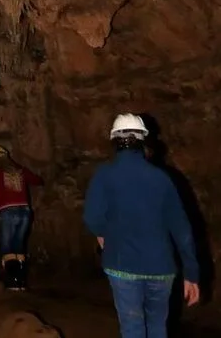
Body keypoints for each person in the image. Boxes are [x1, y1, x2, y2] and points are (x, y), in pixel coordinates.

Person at [84, 113, 200, 338]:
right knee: (158, 327)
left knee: (132, 327)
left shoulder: (105, 175)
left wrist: (103, 236)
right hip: (161, 268)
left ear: (114, 141)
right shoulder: (162, 179)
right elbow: (182, 229)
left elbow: (92, 217)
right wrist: (191, 274)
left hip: (122, 265)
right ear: (143, 140)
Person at [0, 145, 43, 291]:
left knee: (7, 247)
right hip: (25, 212)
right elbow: (37, 180)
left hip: (8, 212)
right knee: (19, 246)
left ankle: (12, 282)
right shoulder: (20, 169)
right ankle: (21, 281)